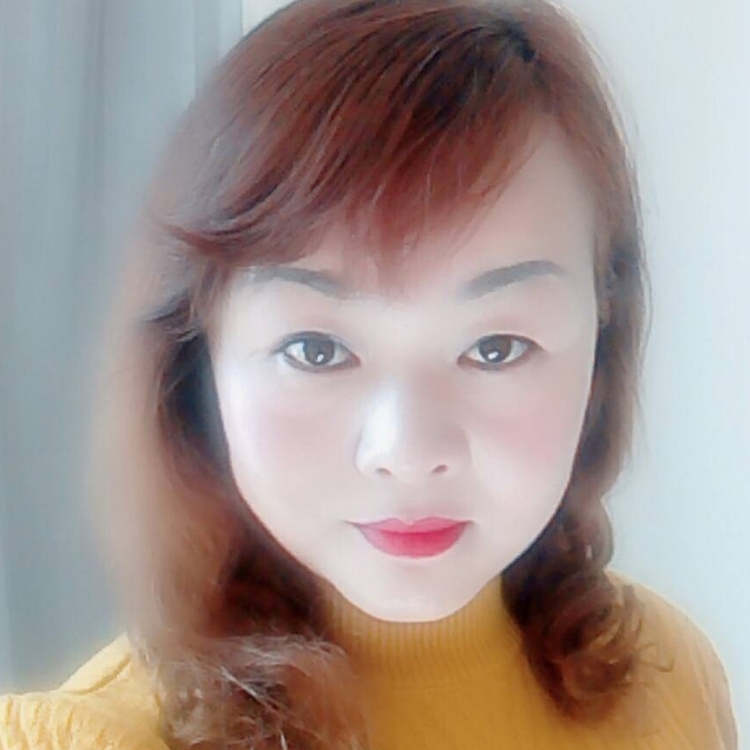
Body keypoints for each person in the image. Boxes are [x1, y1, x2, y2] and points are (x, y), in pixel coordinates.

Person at [0, 0, 738, 748]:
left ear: (600, 348)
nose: (407, 452)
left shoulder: (667, 676)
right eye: (316, 350)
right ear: (197, 363)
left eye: (496, 348)